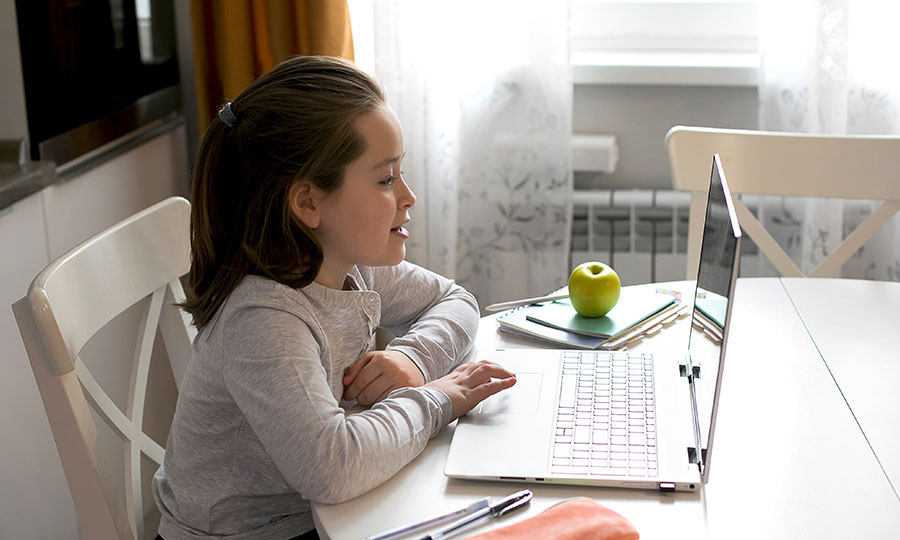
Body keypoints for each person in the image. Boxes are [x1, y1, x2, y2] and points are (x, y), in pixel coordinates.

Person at [152, 55, 517, 540]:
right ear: (307, 202)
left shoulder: (347, 264)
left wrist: (412, 358)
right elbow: (332, 466)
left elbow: (456, 299)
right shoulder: (264, 318)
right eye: (386, 179)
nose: (408, 196)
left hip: (322, 517)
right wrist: (438, 399)